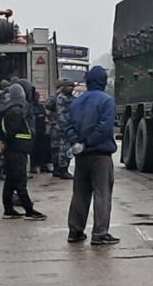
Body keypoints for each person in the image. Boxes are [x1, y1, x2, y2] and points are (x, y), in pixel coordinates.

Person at [64, 66, 119, 245]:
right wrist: (88, 142)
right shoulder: (107, 101)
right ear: (103, 81)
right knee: (102, 194)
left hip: (81, 155)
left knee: (80, 194)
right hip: (100, 155)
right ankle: (100, 233)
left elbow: (68, 126)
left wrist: (78, 143)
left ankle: (75, 231)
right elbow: (105, 128)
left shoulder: (76, 102)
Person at [0, 82, 45, 219]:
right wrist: (7, 141)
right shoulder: (17, 111)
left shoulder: (8, 109)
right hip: (17, 149)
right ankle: (29, 210)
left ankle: (8, 209)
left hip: (14, 149)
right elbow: (13, 131)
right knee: (20, 180)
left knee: (10, 181)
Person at [47, 79, 78, 180]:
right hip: (60, 128)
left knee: (62, 149)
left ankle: (60, 169)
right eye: (69, 86)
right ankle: (61, 170)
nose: (71, 88)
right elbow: (60, 113)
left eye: (72, 86)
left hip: (62, 127)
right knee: (60, 149)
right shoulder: (60, 98)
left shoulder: (72, 98)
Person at [28, 83, 49, 174]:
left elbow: (44, 114)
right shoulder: (29, 106)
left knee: (43, 148)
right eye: (36, 96)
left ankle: (43, 165)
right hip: (34, 129)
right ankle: (33, 166)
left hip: (41, 130)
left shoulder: (40, 106)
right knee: (33, 149)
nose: (37, 98)